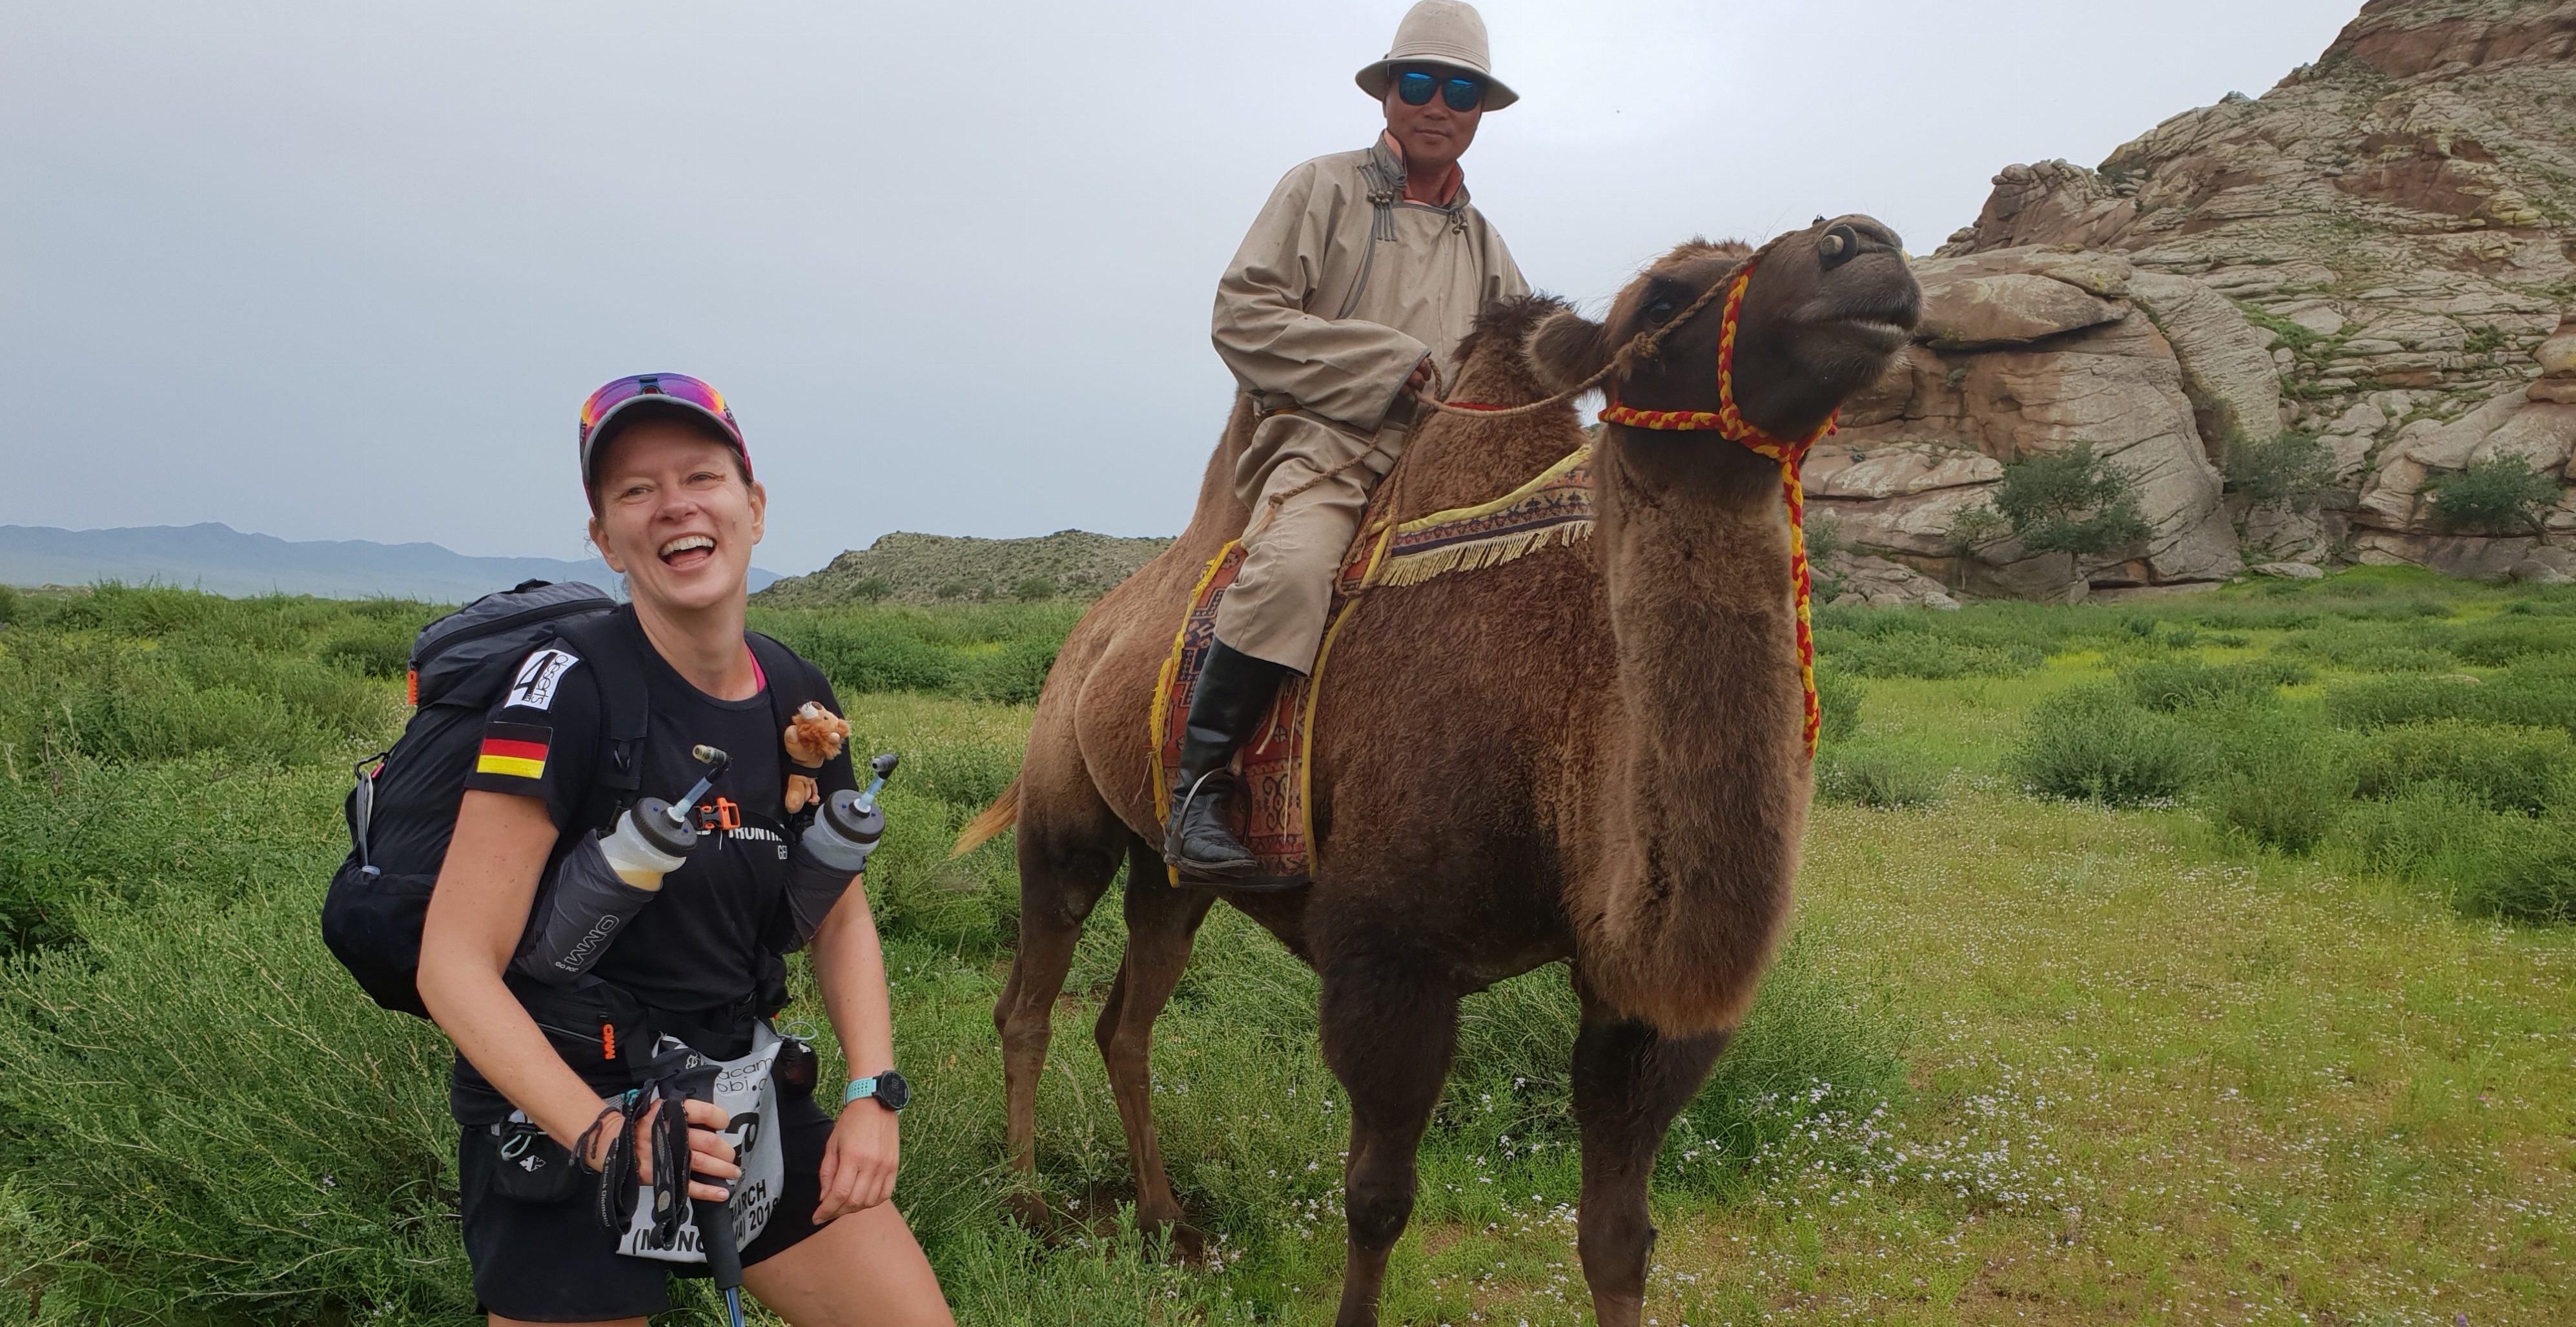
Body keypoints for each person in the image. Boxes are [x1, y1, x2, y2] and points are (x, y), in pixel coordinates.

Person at [416, 374, 954, 1326]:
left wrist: (874, 1091)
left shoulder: (796, 690)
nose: (673, 506)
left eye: (701, 475)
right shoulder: (566, 691)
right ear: (604, 537)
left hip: (734, 1084)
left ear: (752, 507)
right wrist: (603, 1136)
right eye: (633, 491)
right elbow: (454, 965)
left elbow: (837, 910)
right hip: (569, 1105)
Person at [1169, 0, 1531, 884]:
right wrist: (1389, 365)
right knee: (1292, 570)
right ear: (1386, 95)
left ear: (1480, 109)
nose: (1437, 104)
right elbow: (1242, 317)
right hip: (1323, 446)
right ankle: (1201, 790)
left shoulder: (1485, 243)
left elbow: (1523, 360)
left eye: (1460, 90)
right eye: (1418, 83)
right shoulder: (1318, 187)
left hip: (1444, 466)